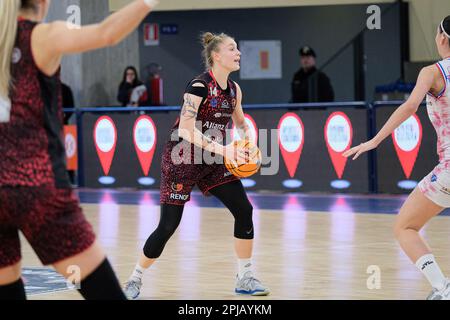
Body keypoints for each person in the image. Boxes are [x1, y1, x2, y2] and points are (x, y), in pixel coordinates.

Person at [0, 0, 158, 300]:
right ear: (43, 2)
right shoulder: (42, 35)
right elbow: (106, 33)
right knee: (104, 293)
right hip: (38, 190)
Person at [123, 32, 270, 299]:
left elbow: (240, 123)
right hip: (182, 158)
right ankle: (134, 279)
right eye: (232, 49)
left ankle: (245, 276)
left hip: (212, 160)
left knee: (244, 209)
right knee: (168, 226)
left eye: (238, 49)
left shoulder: (235, 90)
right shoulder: (199, 87)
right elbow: (188, 130)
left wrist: (248, 143)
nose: (238, 53)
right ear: (216, 56)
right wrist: (225, 149)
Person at [344, 16, 450, 300]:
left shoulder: (433, 72)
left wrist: (374, 141)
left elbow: (410, 106)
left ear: (442, 38)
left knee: (405, 226)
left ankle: (443, 288)